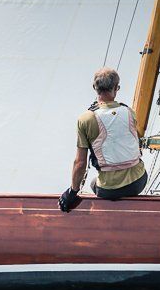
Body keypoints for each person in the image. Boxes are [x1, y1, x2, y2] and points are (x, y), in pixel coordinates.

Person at [58, 67, 148, 212]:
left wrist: (72, 192)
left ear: (95, 87)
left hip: (109, 190)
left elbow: (80, 163)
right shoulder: (130, 112)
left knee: (93, 183)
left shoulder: (86, 119)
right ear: (116, 88)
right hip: (138, 182)